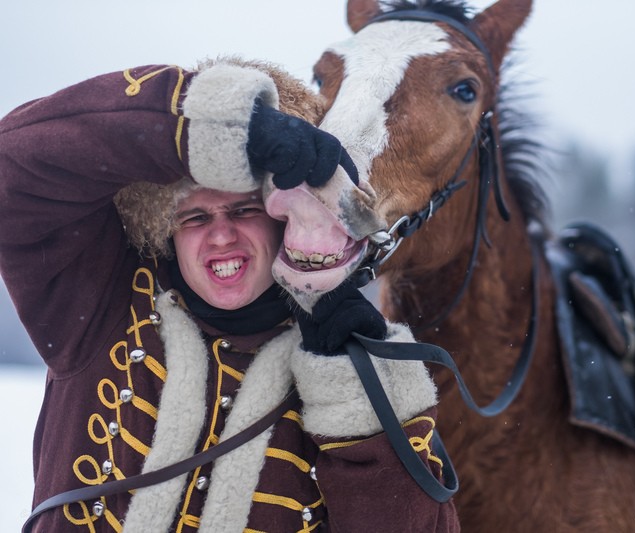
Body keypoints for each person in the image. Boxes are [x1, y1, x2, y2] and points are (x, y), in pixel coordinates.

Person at [0, 58, 459, 532]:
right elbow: (13, 162)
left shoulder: (351, 362)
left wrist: (359, 404)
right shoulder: (97, 297)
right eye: (194, 218)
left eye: (243, 209)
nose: (220, 237)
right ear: (164, 230)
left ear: (284, 220)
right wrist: (213, 123)